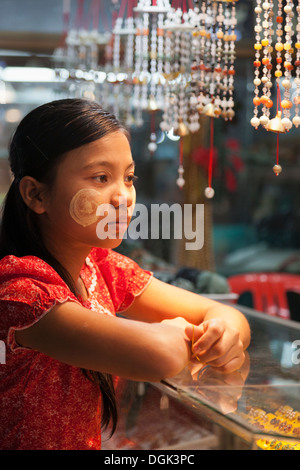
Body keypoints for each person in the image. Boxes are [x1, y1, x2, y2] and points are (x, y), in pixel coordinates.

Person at [0, 98, 250, 450]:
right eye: (101, 178)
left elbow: (226, 314)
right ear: (36, 194)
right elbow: (162, 355)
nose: (124, 197)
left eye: (129, 178)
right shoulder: (23, 289)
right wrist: (178, 332)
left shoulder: (100, 264)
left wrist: (223, 335)